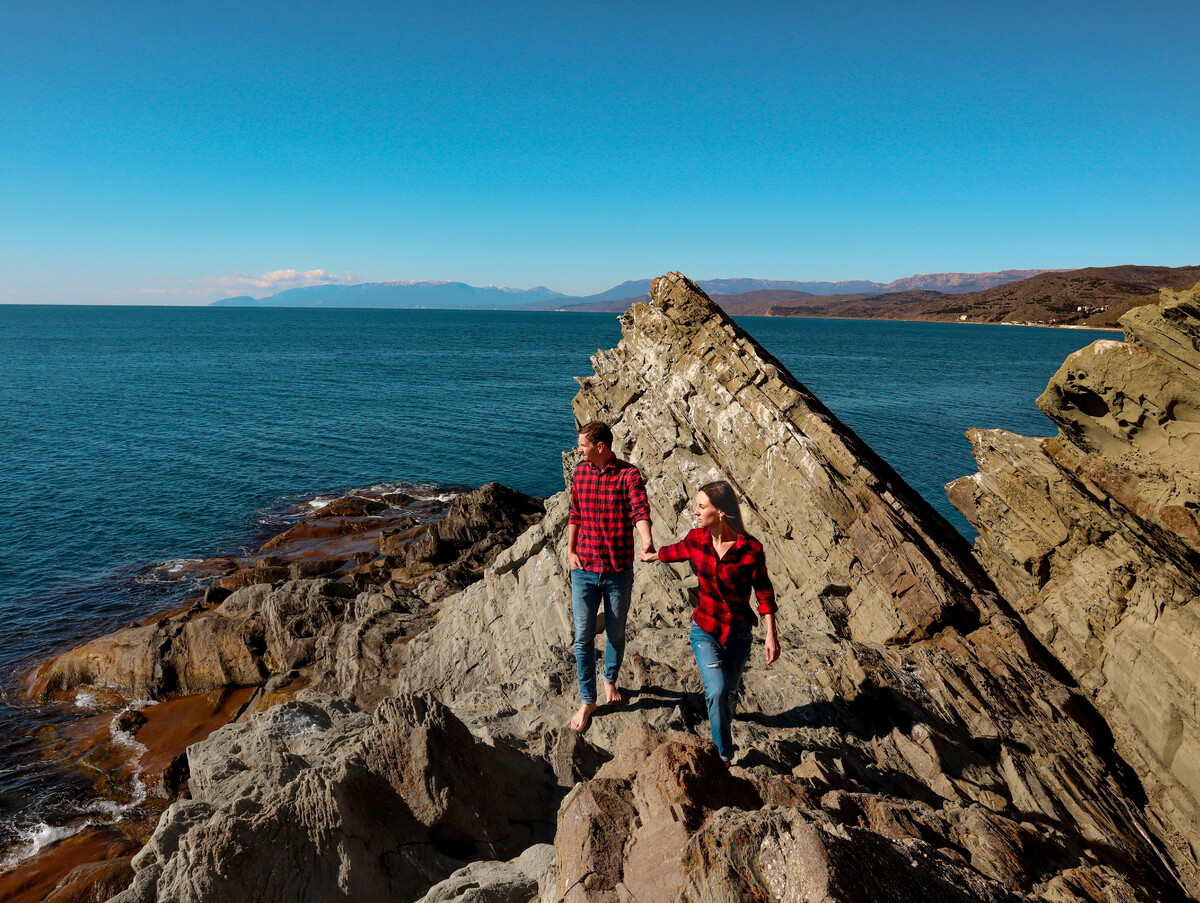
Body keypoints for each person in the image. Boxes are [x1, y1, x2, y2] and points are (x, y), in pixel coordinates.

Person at [640, 480, 778, 762]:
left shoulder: (750, 549)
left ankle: (728, 708)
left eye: (702, 507)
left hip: (738, 634)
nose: (695, 511)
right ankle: (724, 757)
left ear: (721, 513)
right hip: (705, 629)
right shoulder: (697, 539)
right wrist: (654, 555)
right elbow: (677, 551)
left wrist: (770, 634)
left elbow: (764, 592)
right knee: (715, 691)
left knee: (728, 693)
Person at [567, 420, 654, 732]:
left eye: (583, 445)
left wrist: (646, 540)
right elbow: (574, 513)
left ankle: (610, 682)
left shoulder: (628, 474)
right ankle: (588, 699)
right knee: (583, 638)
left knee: (616, 634)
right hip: (584, 569)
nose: (579, 449)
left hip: (618, 571)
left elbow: (639, 511)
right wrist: (570, 550)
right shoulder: (580, 473)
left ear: (599, 446)